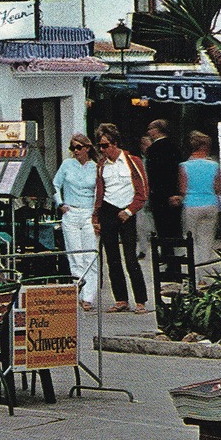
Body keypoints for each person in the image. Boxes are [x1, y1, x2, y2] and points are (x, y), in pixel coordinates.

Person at [92, 123, 149, 313]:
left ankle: (140, 300)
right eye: (100, 146)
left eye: (105, 145)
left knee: (131, 258)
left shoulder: (132, 161)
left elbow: (142, 193)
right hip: (108, 210)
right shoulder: (101, 166)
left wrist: (130, 211)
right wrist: (96, 218)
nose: (102, 150)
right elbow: (99, 194)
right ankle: (121, 299)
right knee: (112, 259)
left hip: (126, 211)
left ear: (115, 143)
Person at [52, 133, 100, 310]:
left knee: (90, 255)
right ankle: (78, 291)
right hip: (71, 211)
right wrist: (60, 203)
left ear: (87, 148)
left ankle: (88, 296)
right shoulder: (67, 164)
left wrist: (96, 212)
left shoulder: (95, 167)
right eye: (73, 148)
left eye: (78, 147)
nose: (75, 151)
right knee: (74, 255)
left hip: (88, 212)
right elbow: (55, 184)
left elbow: (99, 190)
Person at [177, 130, 221, 280]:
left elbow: (183, 189)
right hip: (210, 203)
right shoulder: (214, 165)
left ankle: (194, 274)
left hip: (191, 204)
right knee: (206, 241)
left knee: (191, 241)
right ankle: (204, 276)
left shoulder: (184, 166)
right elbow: (218, 188)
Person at [143, 119, 183, 242]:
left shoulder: (153, 149)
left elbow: (153, 175)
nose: (149, 132)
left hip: (159, 195)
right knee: (174, 228)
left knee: (162, 229)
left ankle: (167, 256)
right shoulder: (175, 147)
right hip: (174, 194)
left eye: (150, 129)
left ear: (157, 130)